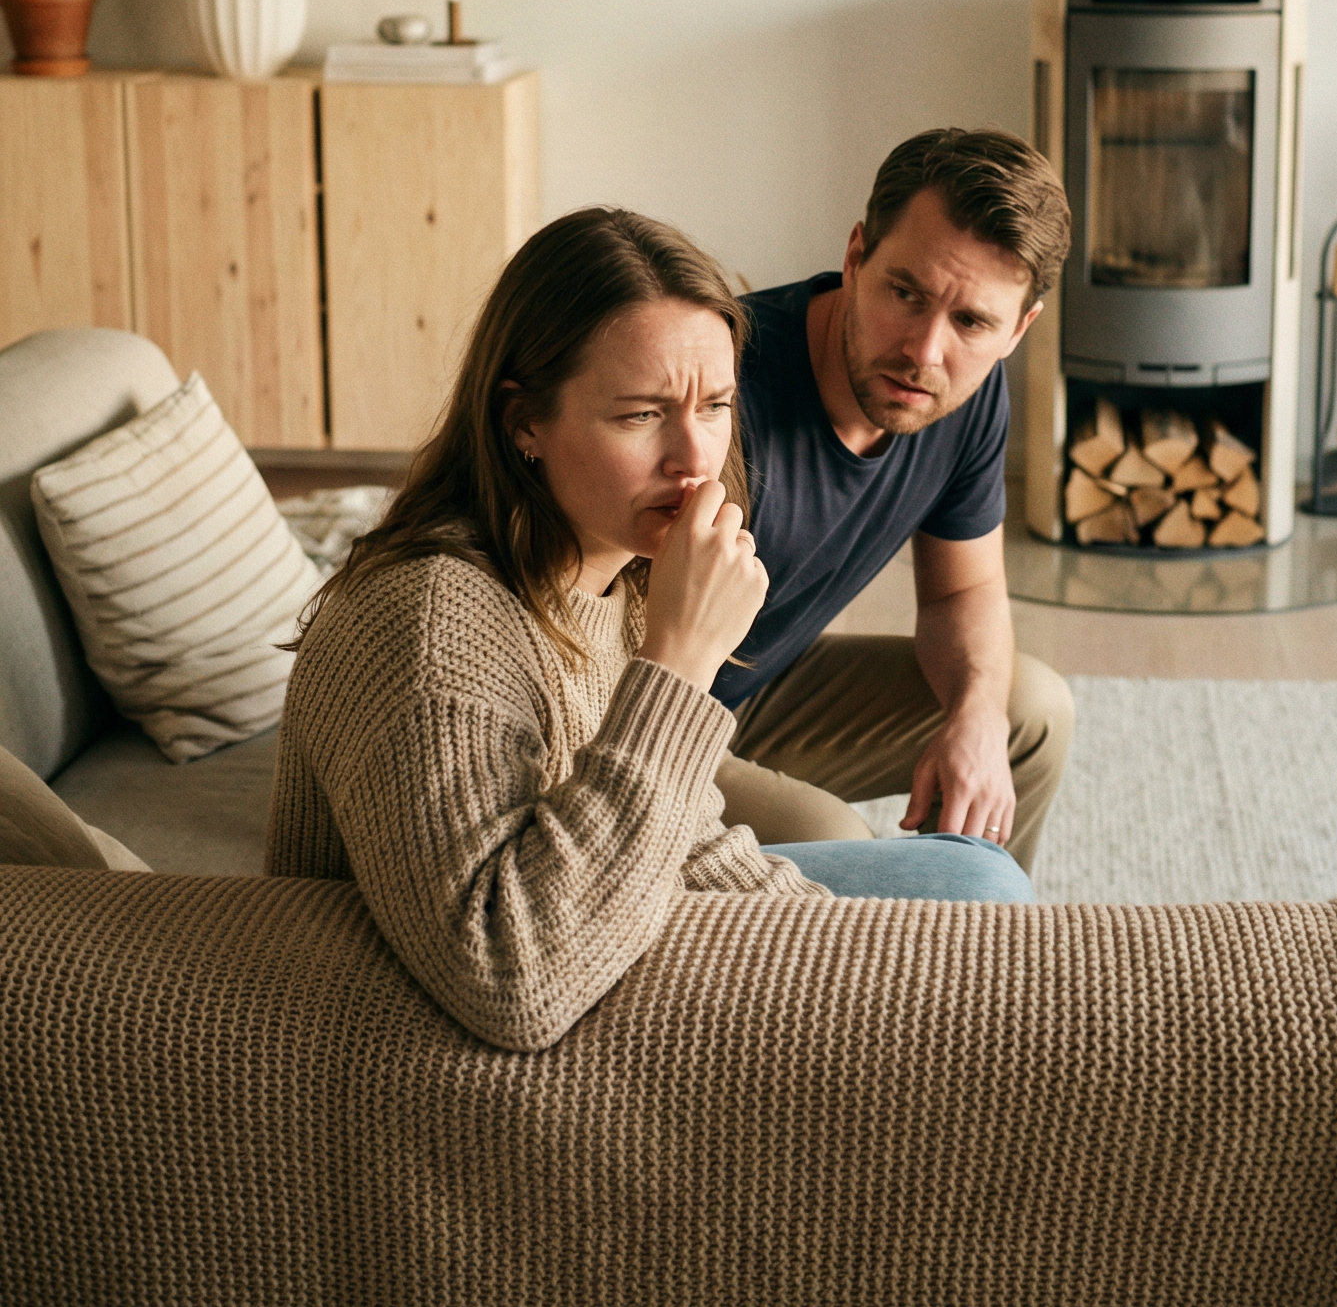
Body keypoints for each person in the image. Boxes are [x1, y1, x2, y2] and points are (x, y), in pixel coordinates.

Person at [265, 207, 1030, 1053]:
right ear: (523, 421)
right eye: (640, 415)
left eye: (715, 405)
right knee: (970, 908)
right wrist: (679, 662)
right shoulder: (430, 626)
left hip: (604, 911)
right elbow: (513, 980)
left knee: (973, 885)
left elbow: (688, 833)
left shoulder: (608, 570)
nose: (696, 459)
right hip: (456, 1052)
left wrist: (837, 947)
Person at [714, 127, 1076, 875]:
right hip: (635, 712)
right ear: (855, 257)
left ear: (1018, 330)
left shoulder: (965, 398)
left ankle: (987, 946)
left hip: (757, 692)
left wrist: (975, 720)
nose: (924, 350)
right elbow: (599, 660)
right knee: (832, 833)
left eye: (972, 321)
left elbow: (964, 590)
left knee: (1027, 711)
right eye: (904, 293)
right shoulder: (726, 393)